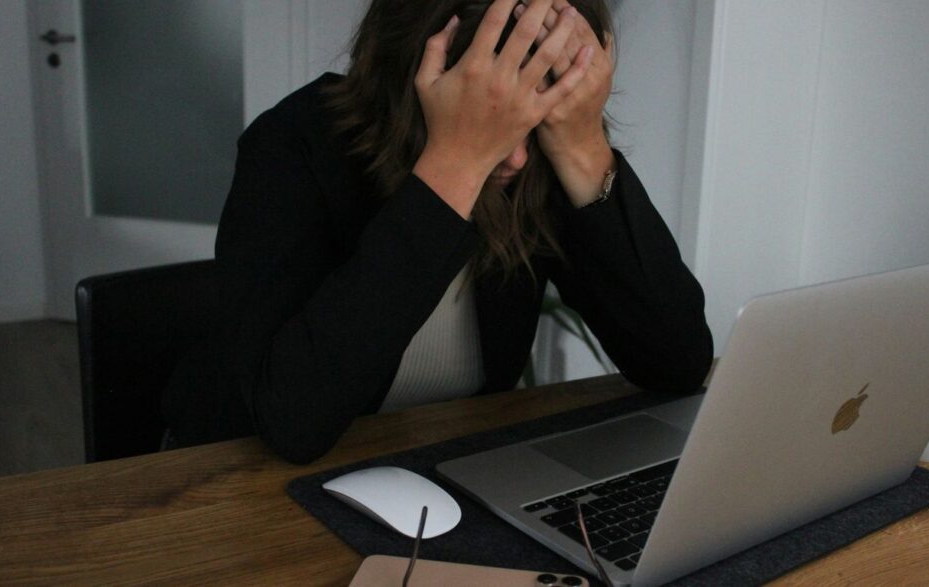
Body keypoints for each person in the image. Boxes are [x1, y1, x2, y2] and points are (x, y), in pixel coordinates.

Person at [161, 0, 712, 464]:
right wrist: (454, 168)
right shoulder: (292, 145)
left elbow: (677, 363)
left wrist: (583, 146)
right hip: (234, 477)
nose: (515, 157)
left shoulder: (544, 154)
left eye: (532, 118)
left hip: (437, 468)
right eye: (490, 118)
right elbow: (293, 423)